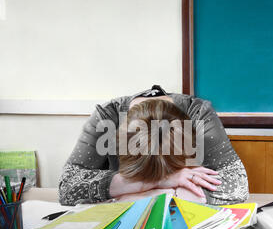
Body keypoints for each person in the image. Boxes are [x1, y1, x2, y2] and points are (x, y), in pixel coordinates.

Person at [58, 85, 249, 205]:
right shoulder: (108, 118)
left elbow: (238, 183)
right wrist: (163, 182)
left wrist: (136, 192)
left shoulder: (197, 114)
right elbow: (67, 186)